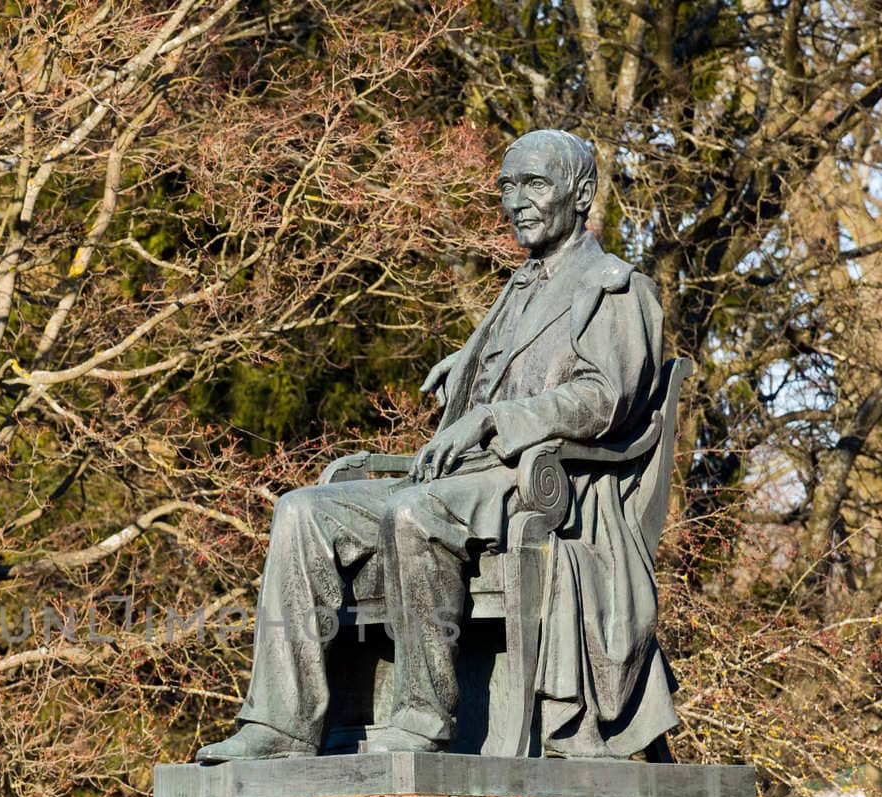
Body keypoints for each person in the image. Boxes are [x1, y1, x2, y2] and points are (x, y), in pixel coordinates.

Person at [198, 128, 674, 763]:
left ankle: (425, 716)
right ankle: (281, 724)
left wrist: (493, 418)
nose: (516, 202)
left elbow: (602, 398)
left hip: (541, 484)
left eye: (535, 184)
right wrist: (471, 366)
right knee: (302, 512)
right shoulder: (517, 289)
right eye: (508, 187)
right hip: (460, 478)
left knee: (415, 514)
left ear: (582, 194)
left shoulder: (618, 289)